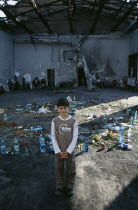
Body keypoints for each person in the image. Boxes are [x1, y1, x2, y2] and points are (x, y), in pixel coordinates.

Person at [51, 97, 78, 196]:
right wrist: (58, 151)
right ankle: (60, 186)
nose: (63, 110)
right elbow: (53, 137)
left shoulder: (73, 121)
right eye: (61, 108)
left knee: (71, 168)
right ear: (57, 108)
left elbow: (75, 137)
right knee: (59, 168)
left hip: (69, 150)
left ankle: (70, 186)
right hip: (59, 150)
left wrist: (69, 151)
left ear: (69, 108)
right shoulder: (54, 121)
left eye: (65, 108)